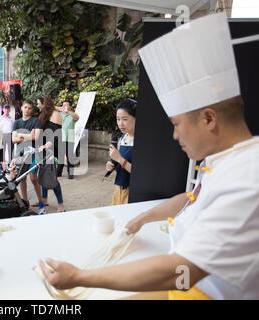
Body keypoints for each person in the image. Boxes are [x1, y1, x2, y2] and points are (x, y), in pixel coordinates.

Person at [38, 13, 259, 300]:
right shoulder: (228, 158)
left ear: (208, 119)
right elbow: (194, 198)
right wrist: (145, 217)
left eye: (178, 125)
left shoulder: (246, 181)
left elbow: (180, 271)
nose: (175, 136)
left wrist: (81, 276)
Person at [12, 100, 44, 213]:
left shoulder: (35, 121)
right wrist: (28, 135)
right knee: (22, 179)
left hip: (33, 153)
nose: (27, 110)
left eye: (30, 108)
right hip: (20, 153)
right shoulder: (16, 122)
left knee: (33, 178)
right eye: (25, 107)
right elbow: (13, 139)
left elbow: (36, 137)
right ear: (21, 108)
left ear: (32, 110)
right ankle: (26, 203)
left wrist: (20, 135)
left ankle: (41, 202)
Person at [105, 99, 136, 205]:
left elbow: (140, 173)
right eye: (118, 119)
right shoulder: (123, 138)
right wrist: (113, 166)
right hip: (118, 188)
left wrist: (119, 159)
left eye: (125, 119)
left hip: (132, 192)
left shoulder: (142, 142)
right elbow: (122, 165)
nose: (120, 123)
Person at [37, 95, 65, 213]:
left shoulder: (55, 114)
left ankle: (61, 205)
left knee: (52, 178)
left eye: (39, 103)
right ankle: (44, 200)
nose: (37, 105)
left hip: (52, 150)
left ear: (44, 103)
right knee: (44, 174)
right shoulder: (45, 114)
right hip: (43, 150)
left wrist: (46, 145)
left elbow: (56, 135)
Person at [57, 100, 79, 179]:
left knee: (70, 156)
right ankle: (58, 172)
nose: (65, 107)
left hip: (70, 138)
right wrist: (62, 109)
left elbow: (77, 118)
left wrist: (68, 111)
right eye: (63, 105)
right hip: (61, 137)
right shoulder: (60, 114)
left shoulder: (72, 115)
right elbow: (54, 108)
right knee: (60, 156)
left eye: (67, 105)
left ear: (70, 107)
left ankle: (70, 173)